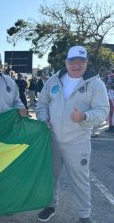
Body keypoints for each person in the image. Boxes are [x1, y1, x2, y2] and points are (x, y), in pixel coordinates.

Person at [36, 46, 109, 223]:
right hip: (51, 139)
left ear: (86, 63)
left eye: (81, 61)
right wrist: (44, 118)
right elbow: (42, 104)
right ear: (66, 62)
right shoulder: (54, 80)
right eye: (72, 61)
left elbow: (103, 111)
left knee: (80, 180)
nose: (76, 65)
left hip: (78, 141)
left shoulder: (95, 83)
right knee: (50, 177)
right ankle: (50, 205)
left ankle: (84, 215)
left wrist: (84, 116)